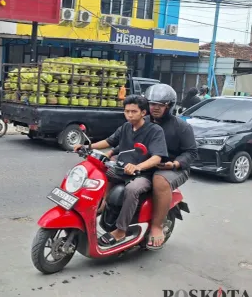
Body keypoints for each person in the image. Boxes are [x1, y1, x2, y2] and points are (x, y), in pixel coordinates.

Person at [73, 95, 168, 246]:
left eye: (134, 111)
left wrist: (138, 166)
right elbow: (109, 141)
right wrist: (87, 146)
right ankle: (102, 204)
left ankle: (120, 230)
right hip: (121, 169)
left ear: (143, 113)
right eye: (127, 111)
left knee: (131, 189)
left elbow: (157, 157)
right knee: (97, 173)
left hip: (143, 174)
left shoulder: (155, 130)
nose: (129, 115)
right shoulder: (125, 127)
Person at [142, 84, 197, 250]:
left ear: (169, 106)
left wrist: (174, 164)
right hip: (147, 164)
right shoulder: (142, 122)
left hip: (173, 168)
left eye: (160, 105)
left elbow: (191, 153)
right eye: (152, 104)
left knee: (160, 180)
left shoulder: (181, 127)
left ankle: (157, 226)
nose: (155, 108)